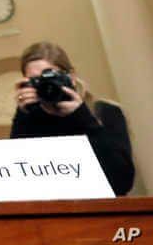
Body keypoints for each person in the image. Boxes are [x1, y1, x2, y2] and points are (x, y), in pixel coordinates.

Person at [11, 41, 135, 195]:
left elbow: (122, 182)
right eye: (37, 81)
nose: (46, 85)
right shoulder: (29, 119)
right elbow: (18, 181)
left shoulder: (104, 112)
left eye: (49, 76)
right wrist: (22, 114)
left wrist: (82, 117)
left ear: (71, 77)